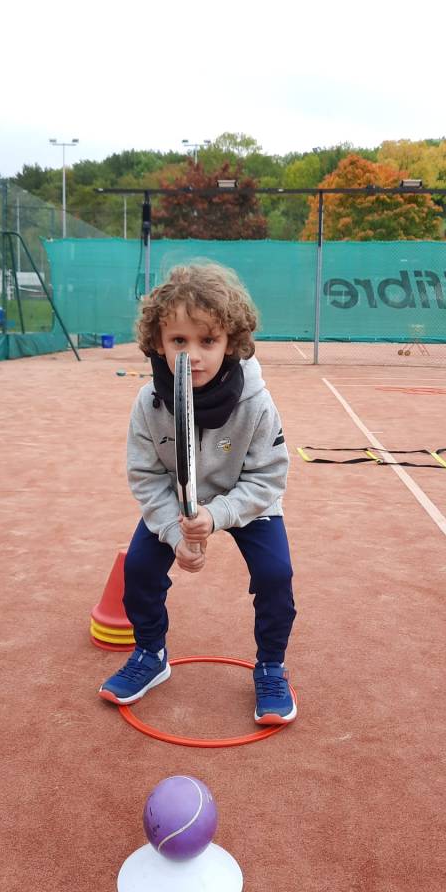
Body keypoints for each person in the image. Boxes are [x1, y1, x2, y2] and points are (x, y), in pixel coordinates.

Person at [99, 262, 297, 724]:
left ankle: (271, 666)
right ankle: (151, 654)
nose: (194, 355)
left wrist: (218, 515)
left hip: (246, 499)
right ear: (158, 342)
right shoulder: (148, 403)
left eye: (208, 340)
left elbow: (268, 476)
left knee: (276, 575)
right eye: (179, 341)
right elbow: (146, 476)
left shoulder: (256, 402)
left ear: (231, 342)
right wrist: (175, 532)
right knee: (139, 568)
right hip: (176, 503)